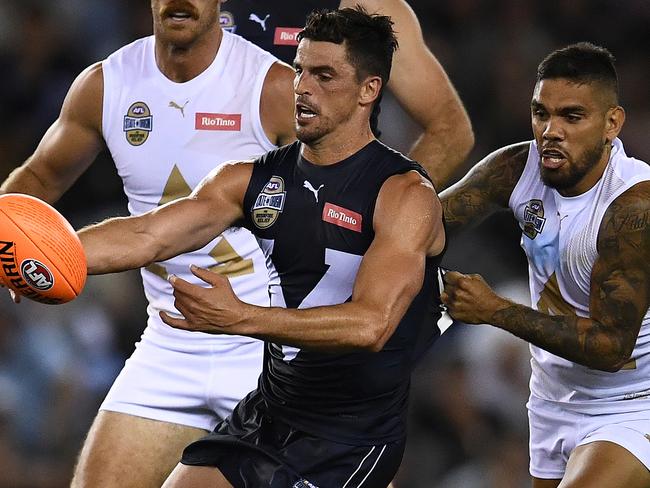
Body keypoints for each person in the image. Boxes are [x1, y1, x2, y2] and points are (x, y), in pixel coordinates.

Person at [76, 7, 447, 487]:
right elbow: (147, 235)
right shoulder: (254, 177)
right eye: (300, 70)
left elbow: (371, 324)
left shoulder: (403, 195)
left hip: (349, 437)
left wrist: (240, 319)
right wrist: (47, 249)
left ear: (368, 90)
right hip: (268, 414)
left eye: (324, 75)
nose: (302, 88)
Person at [0, 0, 296, 486]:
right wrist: (7, 246)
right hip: (170, 343)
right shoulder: (106, 85)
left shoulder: (273, 88)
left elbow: (340, 203)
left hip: (267, 348)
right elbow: (41, 176)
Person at [440, 42, 650, 488]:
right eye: (541, 114)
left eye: (572, 117)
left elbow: (610, 348)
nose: (550, 131)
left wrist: (495, 311)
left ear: (612, 123)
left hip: (632, 403)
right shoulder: (518, 168)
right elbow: (428, 226)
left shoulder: (634, 208)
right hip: (551, 401)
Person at [220, 0, 474, 189]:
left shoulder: (367, 6)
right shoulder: (199, 8)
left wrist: (393, 208)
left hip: (321, 223)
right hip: (208, 208)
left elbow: (450, 128)